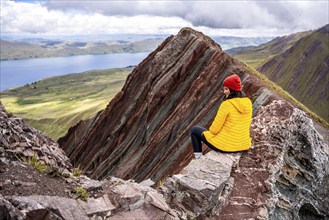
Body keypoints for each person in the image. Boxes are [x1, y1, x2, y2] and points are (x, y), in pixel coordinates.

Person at [191, 74, 252, 159]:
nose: (224, 92)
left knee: (195, 130)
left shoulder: (226, 104)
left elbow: (214, 130)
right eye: (224, 89)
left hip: (226, 146)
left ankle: (198, 158)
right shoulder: (248, 103)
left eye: (226, 89)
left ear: (232, 89)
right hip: (243, 145)